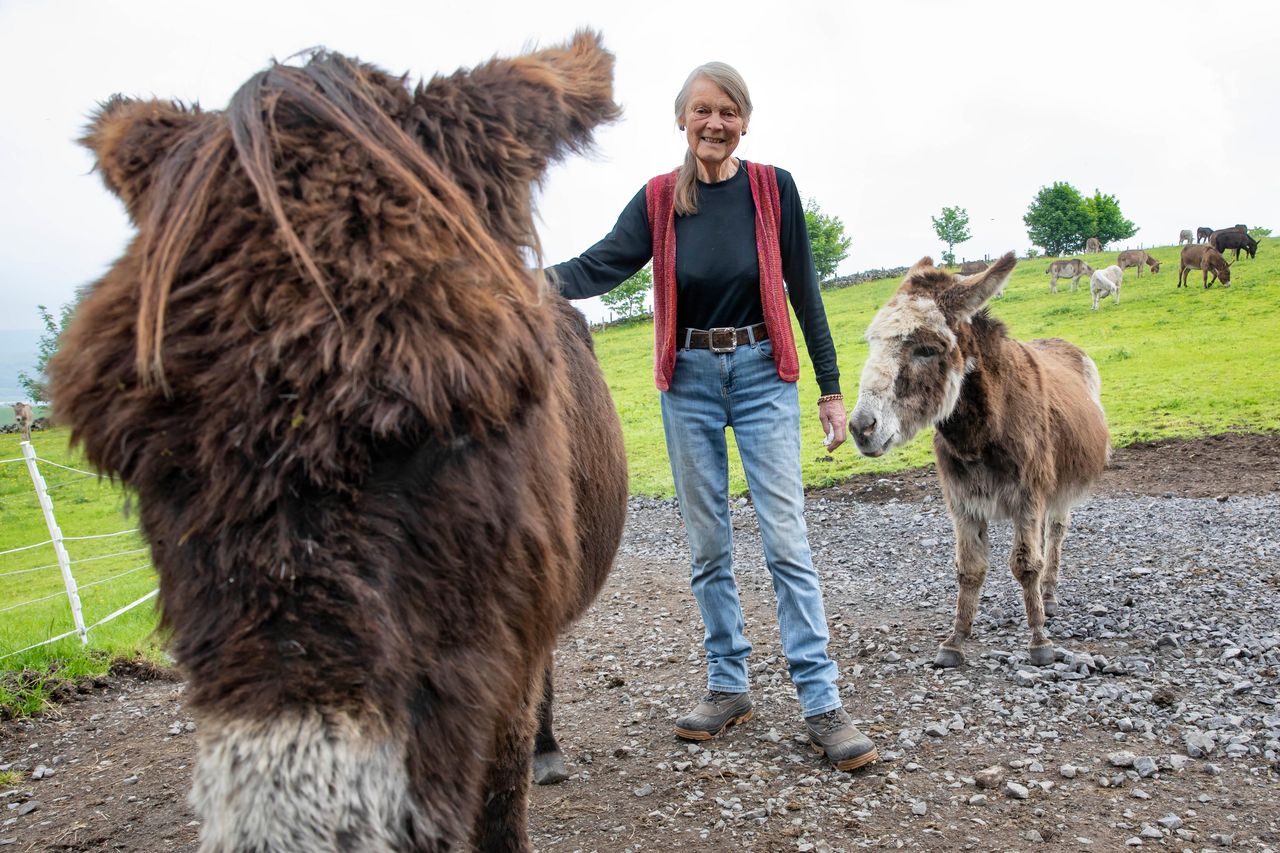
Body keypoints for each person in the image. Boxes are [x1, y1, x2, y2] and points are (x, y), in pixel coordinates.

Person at [548, 62, 877, 772]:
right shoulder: (661, 199)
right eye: (702, 111)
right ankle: (728, 686)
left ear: (745, 121)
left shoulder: (772, 188)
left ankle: (822, 703)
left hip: (762, 374)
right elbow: (603, 264)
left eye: (727, 111)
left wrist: (828, 388)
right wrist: (521, 277)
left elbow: (805, 292)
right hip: (688, 379)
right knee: (708, 547)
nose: (714, 123)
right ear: (682, 120)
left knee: (786, 543)